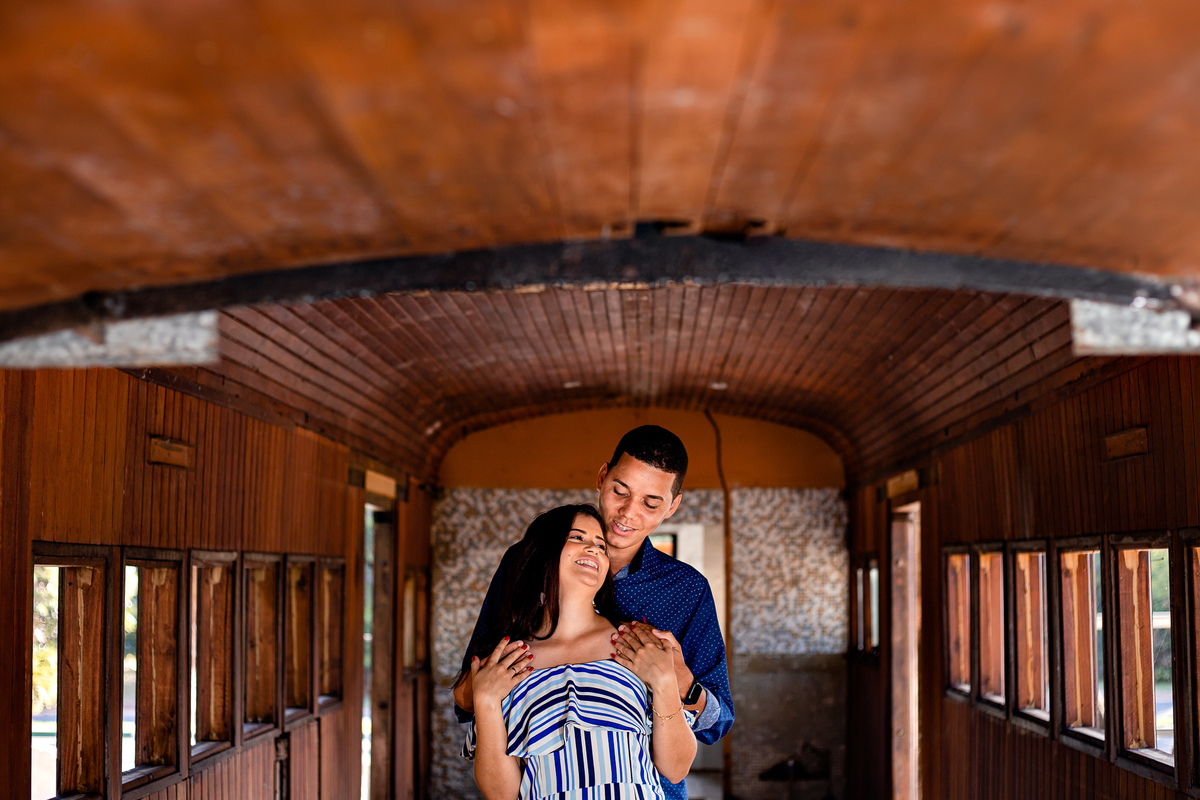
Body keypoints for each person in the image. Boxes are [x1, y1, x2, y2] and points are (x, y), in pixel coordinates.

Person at [454, 426, 734, 800]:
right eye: (620, 491)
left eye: (651, 503)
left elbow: (718, 721)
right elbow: (465, 695)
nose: (628, 514)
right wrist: (488, 689)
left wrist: (680, 684)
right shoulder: (524, 562)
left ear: (672, 506)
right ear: (602, 478)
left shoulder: (686, 590)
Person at [463, 504, 697, 800]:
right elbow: (503, 794)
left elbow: (677, 768)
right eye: (577, 538)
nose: (594, 549)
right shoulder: (509, 662)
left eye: (601, 545)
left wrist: (664, 681)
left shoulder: (638, 644)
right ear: (542, 554)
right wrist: (485, 700)